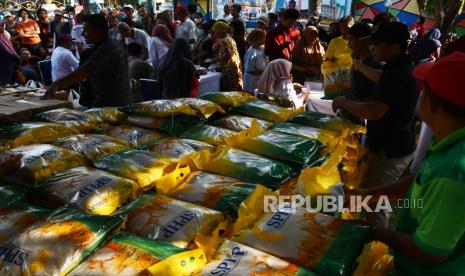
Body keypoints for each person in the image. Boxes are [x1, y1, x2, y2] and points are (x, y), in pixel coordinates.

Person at [358, 52, 465, 275]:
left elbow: (431, 251)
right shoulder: (449, 138)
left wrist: (374, 232)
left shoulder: (455, 171)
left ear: (432, 104)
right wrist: (369, 194)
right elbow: (421, 180)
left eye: (423, 90)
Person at [332, 22, 417, 199]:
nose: (372, 48)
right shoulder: (397, 65)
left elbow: (373, 111)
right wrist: (359, 66)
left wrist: (343, 101)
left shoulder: (397, 72)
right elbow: (381, 77)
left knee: (375, 203)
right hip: (387, 144)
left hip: (390, 149)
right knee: (369, 193)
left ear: (394, 47)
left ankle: (375, 228)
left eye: (377, 45)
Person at [45, 14, 132, 108]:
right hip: (113, 103)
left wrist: (56, 85)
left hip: (111, 107)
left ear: (98, 32)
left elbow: (83, 72)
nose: (82, 34)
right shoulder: (109, 46)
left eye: (86, 31)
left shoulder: (106, 49)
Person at [341, 22, 381, 124]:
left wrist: (352, 103)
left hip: (366, 114)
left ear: (362, 41)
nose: (349, 44)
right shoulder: (355, 56)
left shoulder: (374, 61)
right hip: (352, 110)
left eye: (351, 40)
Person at [211, 22, 243, 91]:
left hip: (228, 69)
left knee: (228, 89)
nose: (215, 34)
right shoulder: (230, 38)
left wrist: (215, 60)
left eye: (216, 32)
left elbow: (227, 56)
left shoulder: (223, 41)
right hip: (235, 66)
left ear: (220, 32)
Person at [0, 21, 19, 85]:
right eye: (0, 26)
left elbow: (11, 47)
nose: (2, 28)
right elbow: (4, 49)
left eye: (2, 26)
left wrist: (15, 55)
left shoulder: (3, 36)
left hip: (10, 59)